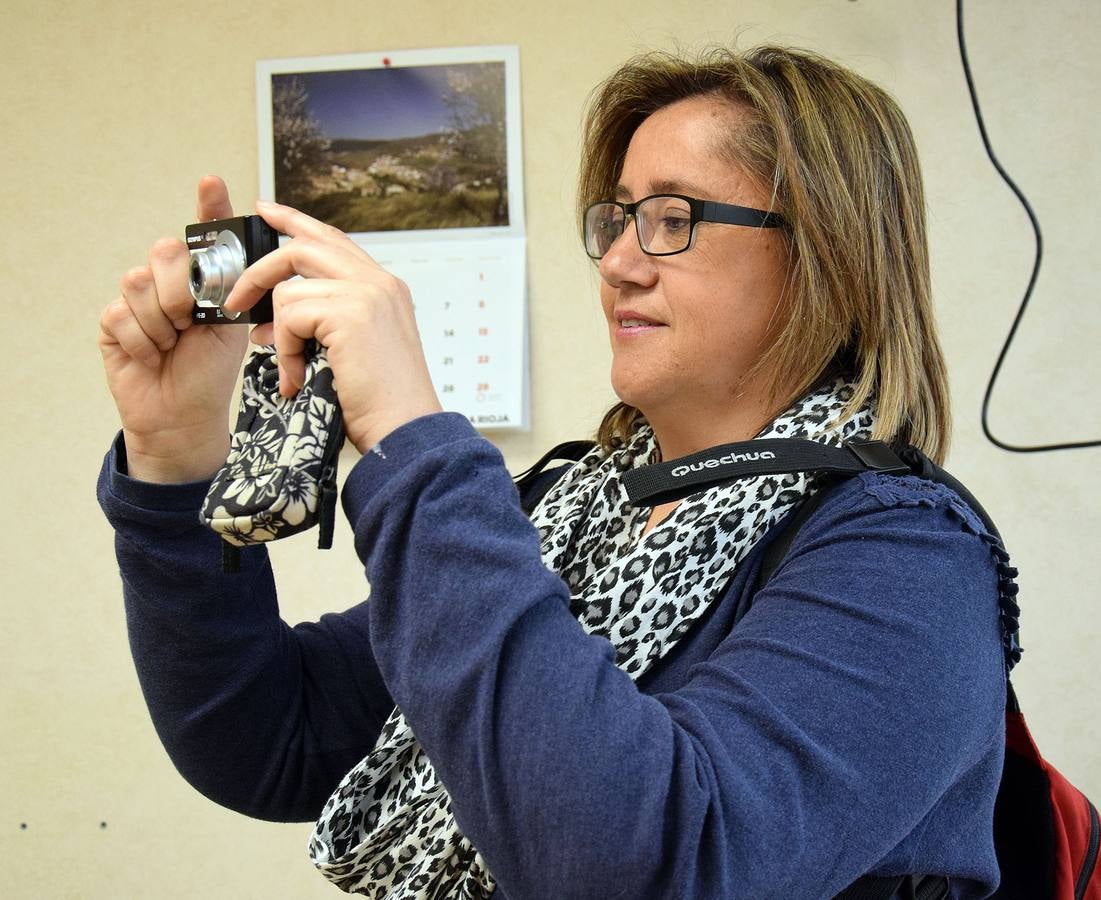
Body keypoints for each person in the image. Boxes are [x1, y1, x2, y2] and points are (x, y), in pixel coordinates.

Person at [97, 46, 1009, 899]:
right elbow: (271, 739)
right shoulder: (570, 510)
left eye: (671, 220)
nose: (615, 264)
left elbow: (646, 864)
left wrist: (413, 437)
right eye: (617, 219)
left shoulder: (905, 554)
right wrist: (175, 459)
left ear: (826, 255)